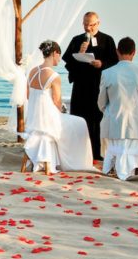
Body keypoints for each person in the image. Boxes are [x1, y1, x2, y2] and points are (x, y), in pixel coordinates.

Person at [23, 40, 94, 173]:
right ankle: (76, 161)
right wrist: (62, 111)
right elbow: (57, 102)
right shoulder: (54, 76)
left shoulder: (32, 71)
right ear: (55, 53)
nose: (60, 59)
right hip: (49, 122)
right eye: (59, 55)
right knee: (81, 122)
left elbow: (28, 96)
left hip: (34, 120)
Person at [63, 11, 119, 161]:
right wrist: (79, 53)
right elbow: (68, 63)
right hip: (81, 86)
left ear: (98, 23)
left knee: (98, 119)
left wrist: (102, 64)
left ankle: (97, 153)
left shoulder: (107, 40)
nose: (88, 28)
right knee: (80, 119)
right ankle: (80, 151)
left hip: (99, 86)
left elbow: (115, 62)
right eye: (85, 24)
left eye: (91, 25)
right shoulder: (76, 40)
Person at [97, 36, 138, 180]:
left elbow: (101, 102)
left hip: (115, 121)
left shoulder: (107, 73)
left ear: (117, 51)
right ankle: (136, 168)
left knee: (115, 145)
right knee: (135, 143)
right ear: (134, 52)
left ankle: (115, 168)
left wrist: (109, 111)